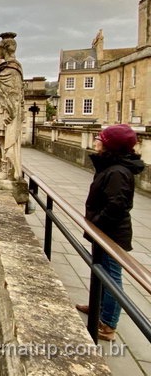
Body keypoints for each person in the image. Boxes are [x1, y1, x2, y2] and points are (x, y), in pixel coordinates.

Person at [75, 124, 145, 341]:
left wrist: (96, 222)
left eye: (100, 139)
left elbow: (117, 205)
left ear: (109, 145)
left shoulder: (118, 171)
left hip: (111, 233)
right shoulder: (113, 167)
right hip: (105, 230)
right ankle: (99, 309)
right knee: (102, 271)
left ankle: (108, 325)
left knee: (112, 276)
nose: (96, 141)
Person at [0, 32, 24, 180]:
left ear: (5, 49)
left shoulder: (13, 68)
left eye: (0, 50)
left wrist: (10, 111)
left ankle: (6, 171)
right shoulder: (2, 67)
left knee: (4, 140)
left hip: (5, 108)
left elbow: (15, 93)